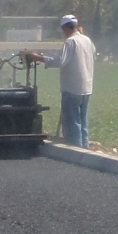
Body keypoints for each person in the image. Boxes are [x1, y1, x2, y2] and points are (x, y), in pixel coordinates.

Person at [36, 14, 96, 146]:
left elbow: (60, 61)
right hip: (87, 87)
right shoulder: (87, 40)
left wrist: (41, 58)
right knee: (82, 121)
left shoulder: (70, 42)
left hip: (72, 87)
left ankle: (76, 149)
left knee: (72, 122)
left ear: (66, 28)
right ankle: (84, 147)